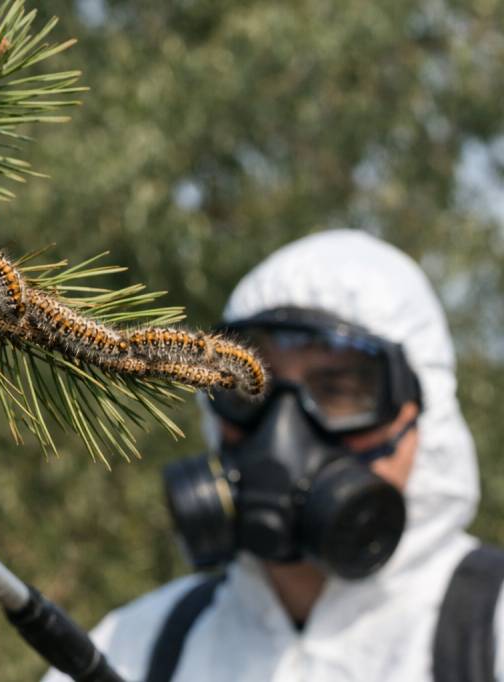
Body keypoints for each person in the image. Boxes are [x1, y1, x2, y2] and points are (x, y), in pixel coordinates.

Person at [42, 229, 502, 682]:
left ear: (422, 416)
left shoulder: (490, 630)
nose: (282, 435)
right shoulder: (134, 647)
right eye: (249, 385)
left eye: (338, 388)